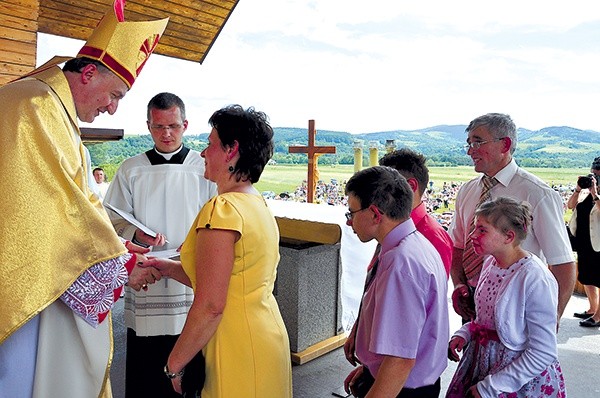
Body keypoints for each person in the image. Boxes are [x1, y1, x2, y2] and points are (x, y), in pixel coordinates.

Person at [0, 1, 168, 397]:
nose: (112, 108)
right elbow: (47, 211)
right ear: (89, 73)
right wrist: (121, 261)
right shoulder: (33, 107)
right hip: (25, 284)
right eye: (115, 94)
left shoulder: (49, 107)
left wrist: (118, 248)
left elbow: (73, 202)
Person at [144, 105, 292, 397]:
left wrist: (175, 363)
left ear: (230, 150)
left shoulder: (222, 210)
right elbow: (234, 278)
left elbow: (212, 303)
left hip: (234, 339)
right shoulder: (256, 203)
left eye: (210, 144)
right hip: (265, 333)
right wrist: (170, 269)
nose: (202, 153)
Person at [103, 92, 217, 397]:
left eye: (173, 126)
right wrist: (137, 238)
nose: (166, 134)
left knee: (189, 366)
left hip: (187, 277)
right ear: (148, 126)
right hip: (146, 277)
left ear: (185, 125)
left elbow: (216, 216)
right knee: (146, 370)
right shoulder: (131, 169)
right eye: (158, 127)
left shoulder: (204, 168)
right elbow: (109, 222)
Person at [449, 113, 576, 323]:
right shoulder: (467, 191)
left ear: (505, 144)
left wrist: (552, 320)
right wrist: (460, 285)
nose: (471, 151)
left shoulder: (538, 194)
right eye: (469, 144)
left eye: (478, 142)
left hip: (519, 306)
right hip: (473, 304)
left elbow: (563, 264)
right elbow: (458, 246)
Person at [342, 166, 448, 398]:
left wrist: (380, 380)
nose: (349, 222)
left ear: (375, 214)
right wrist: (372, 368)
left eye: (351, 213)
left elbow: (400, 360)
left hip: (403, 388)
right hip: (400, 380)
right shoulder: (413, 243)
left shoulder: (401, 264)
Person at [446, 197, 566, 397]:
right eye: (475, 228)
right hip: (481, 364)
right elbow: (486, 320)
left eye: (482, 230)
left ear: (508, 237)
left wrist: (491, 387)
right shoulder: (490, 263)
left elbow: (543, 351)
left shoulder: (534, 278)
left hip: (515, 380)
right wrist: (465, 333)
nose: (472, 235)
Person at [567, 157, 600, 327]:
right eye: (594, 174)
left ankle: (599, 316)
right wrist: (578, 189)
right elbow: (570, 205)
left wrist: (595, 193)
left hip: (599, 243)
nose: (595, 178)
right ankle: (592, 309)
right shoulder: (586, 193)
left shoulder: (595, 195)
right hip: (584, 241)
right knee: (587, 276)